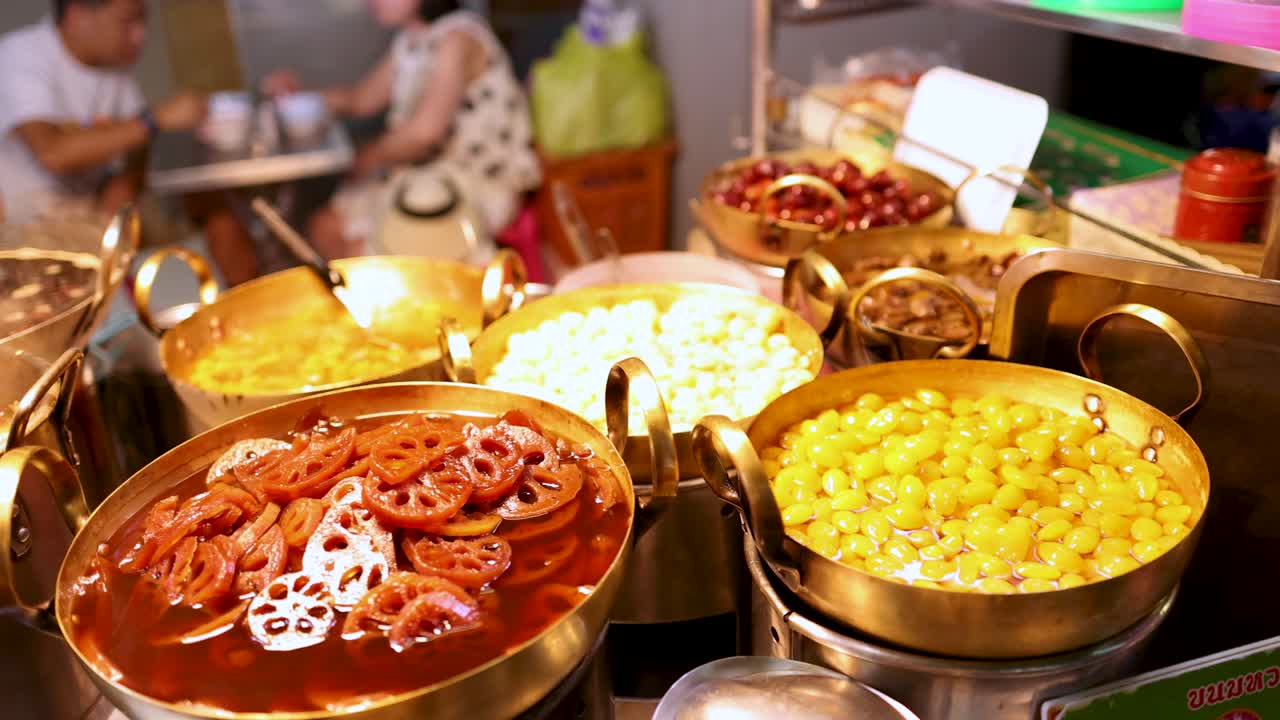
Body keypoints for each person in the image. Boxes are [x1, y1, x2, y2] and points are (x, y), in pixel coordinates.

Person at [0, 0, 258, 286]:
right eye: (128, 22)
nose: (140, 36)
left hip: (94, 211)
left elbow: (136, 156)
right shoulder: (21, 55)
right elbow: (52, 152)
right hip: (26, 225)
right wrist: (154, 119)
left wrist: (121, 192)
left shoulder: (114, 73)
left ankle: (245, 306)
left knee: (217, 206)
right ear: (77, 15)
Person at [265, 0, 540, 260]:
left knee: (360, 250)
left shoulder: (458, 38)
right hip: (417, 172)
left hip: (473, 178)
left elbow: (425, 133)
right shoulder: (410, 40)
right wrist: (297, 96)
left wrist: (366, 158)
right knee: (322, 226)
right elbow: (360, 99)